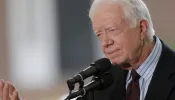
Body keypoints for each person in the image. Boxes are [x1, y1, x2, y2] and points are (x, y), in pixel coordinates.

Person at [83, 0, 175, 100]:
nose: (105, 43)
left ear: (142, 28)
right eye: (99, 35)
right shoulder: (103, 81)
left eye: (112, 30)